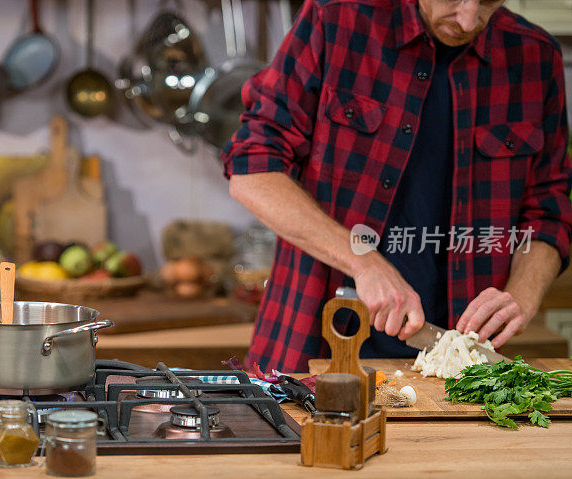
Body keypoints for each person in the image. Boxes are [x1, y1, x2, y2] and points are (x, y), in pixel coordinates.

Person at [222, 0, 572, 372]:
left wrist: (523, 293)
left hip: (462, 365)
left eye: (487, 1)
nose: (469, 20)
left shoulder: (535, 56)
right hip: (312, 345)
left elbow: (549, 211)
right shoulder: (336, 19)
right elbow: (252, 168)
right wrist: (362, 261)